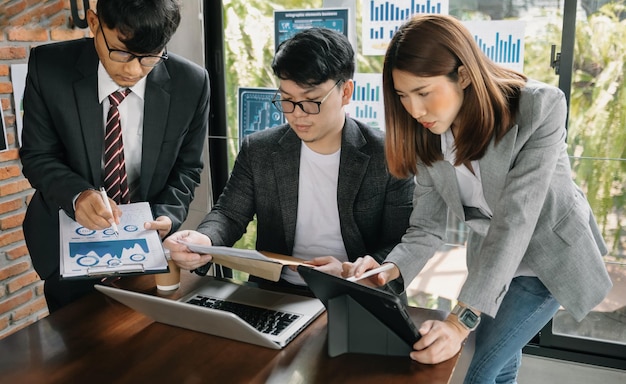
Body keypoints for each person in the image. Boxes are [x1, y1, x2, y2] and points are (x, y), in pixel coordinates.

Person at [343, 14, 612, 383]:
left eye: (423, 92)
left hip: (546, 260)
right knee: (500, 370)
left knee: (476, 372)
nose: (414, 110)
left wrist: (458, 322)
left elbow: (515, 222)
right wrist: (389, 271)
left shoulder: (540, 109)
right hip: (490, 263)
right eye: (403, 96)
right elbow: (425, 228)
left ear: (464, 75)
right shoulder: (428, 135)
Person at [163, 27, 414, 290]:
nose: (297, 114)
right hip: (276, 292)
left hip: (359, 296)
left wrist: (354, 275)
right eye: (286, 100)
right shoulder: (260, 149)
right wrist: (203, 240)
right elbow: (229, 214)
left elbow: (402, 243)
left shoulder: (388, 154)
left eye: (311, 101)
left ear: (346, 92)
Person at [19, 0, 210, 313]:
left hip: (147, 249)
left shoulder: (191, 83)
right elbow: (38, 156)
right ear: (94, 23)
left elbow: (187, 168)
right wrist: (78, 196)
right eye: (121, 52)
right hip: (67, 250)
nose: (133, 70)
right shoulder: (49, 67)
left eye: (149, 57)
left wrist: (168, 215)